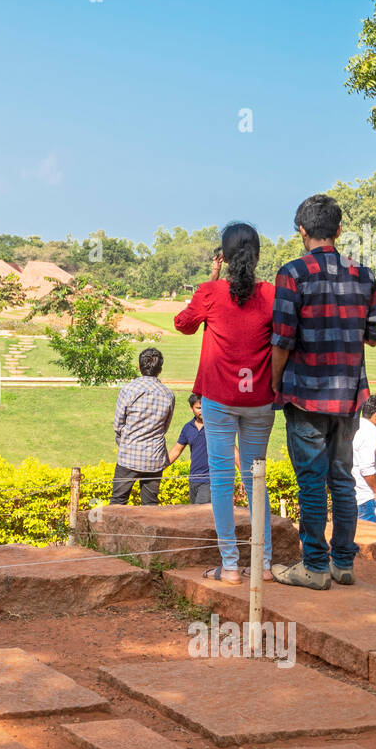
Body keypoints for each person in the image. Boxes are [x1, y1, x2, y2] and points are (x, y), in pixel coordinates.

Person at [270, 194, 376, 590]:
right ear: (338, 230)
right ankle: (343, 563)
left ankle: (315, 566)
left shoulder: (293, 274)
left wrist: (273, 383)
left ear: (302, 230)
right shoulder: (364, 276)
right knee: (342, 479)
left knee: (312, 483)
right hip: (349, 395)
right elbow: (373, 337)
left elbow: (282, 340)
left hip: (305, 394)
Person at [173, 223, 275, 581]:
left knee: (221, 479)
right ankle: (262, 564)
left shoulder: (211, 292)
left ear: (225, 257)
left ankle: (230, 565)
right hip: (260, 398)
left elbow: (183, 324)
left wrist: (211, 278)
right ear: (257, 255)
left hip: (218, 397)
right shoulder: (271, 294)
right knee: (255, 479)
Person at [111, 348, 175, 505]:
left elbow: (118, 424)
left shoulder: (129, 389)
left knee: (118, 502)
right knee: (150, 505)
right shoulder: (168, 394)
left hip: (129, 454)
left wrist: (125, 442)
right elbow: (165, 427)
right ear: (160, 370)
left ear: (139, 367)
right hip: (154, 456)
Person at [352, 395, 376, 522]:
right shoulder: (370, 434)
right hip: (368, 499)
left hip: (360, 496)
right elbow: (367, 468)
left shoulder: (358, 428)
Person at [169, 395, 211, 504]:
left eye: (205, 407)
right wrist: (160, 468)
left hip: (209, 480)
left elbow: (231, 449)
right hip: (193, 479)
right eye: (198, 408)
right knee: (196, 514)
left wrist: (244, 475)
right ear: (191, 408)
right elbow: (176, 450)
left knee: (200, 513)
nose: (202, 411)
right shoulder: (187, 428)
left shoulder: (214, 427)